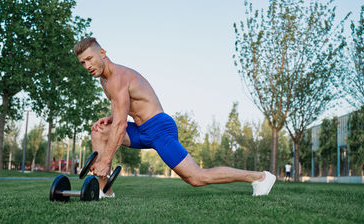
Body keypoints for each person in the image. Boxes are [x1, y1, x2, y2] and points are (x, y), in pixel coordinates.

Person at [73, 37, 276, 198]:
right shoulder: (104, 80)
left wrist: (106, 159)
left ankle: (259, 177)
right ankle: (104, 191)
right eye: (82, 63)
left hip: (159, 128)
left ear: (102, 53)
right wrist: (110, 117)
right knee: (99, 130)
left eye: (90, 59)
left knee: (196, 177)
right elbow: (123, 108)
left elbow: (121, 123)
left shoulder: (118, 77)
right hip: (141, 129)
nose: (87, 65)